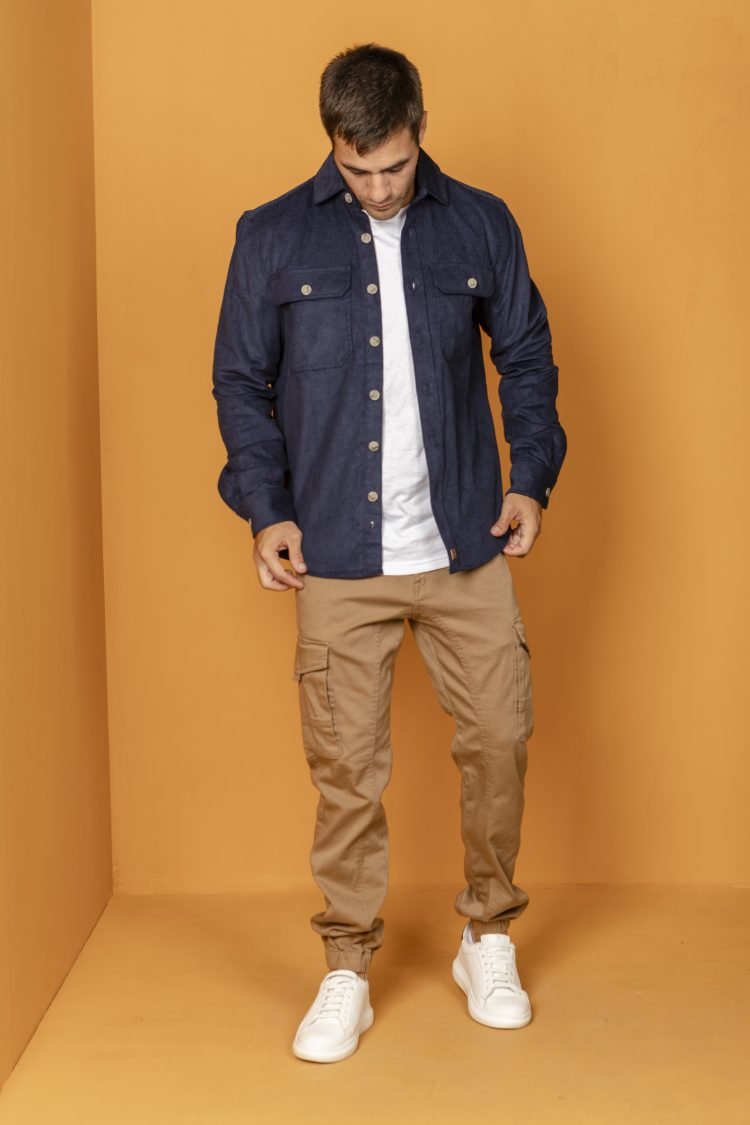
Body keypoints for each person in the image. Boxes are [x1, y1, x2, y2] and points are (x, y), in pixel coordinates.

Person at [211, 42, 567, 1064]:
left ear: (421, 130)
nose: (376, 187)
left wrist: (529, 478)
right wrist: (267, 510)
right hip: (336, 552)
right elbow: (240, 381)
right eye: (356, 168)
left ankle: (487, 936)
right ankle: (346, 966)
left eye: (395, 166)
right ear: (333, 144)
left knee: (498, 737)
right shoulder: (272, 235)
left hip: (465, 542)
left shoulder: (480, 222)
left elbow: (527, 355)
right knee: (346, 773)